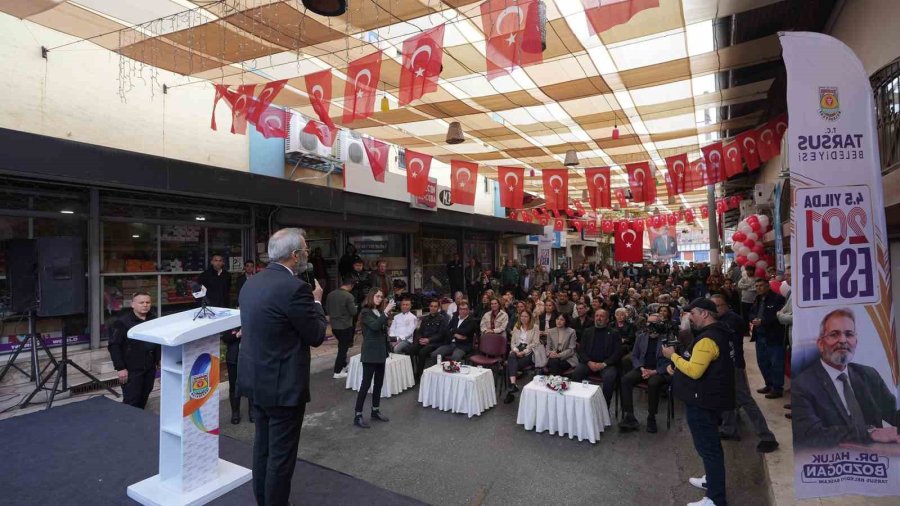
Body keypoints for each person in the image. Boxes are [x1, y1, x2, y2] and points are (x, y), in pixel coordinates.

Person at [237, 228, 326, 506]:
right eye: (306, 251)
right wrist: (317, 302)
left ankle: (263, 499)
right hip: (283, 385)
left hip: (255, 378)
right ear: (295, 255)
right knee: (281, 455)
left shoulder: (251, 282)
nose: (307, 255)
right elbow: (315, 335)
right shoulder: (296, 288)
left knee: (262, 446)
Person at [662, 298, 735, 506]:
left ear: (705, 314)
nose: (689, 317)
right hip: (711, 398)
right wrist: (677, 368)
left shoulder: (708, 339)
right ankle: (712, 481)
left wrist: (673, 357)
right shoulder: (721, 332)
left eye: (692, 313)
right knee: (710, 446)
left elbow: (695, 371)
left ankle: (715, 498)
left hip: (703, 401)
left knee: (708, 448)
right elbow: (699, 364)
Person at [792, 308, 900, 447]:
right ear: (820, 344)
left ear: (856, 340)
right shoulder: (802, 385)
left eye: (849, 334)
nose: (843, 340)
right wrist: (870, 433)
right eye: (834, 334)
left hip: (877, 461)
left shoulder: (869, 375)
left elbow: (893, 413)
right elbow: (810, 434)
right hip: (831, 462)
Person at [712, 294, 778, 453]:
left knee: (745, 400)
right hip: (725, 366)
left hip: (734, 366)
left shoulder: (732, 320)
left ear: (725, 305)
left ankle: (767, 437)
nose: (713, 311)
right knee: (727, 397)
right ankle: (729, 429)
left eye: (716, 307)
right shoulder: (723, 320)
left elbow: (727, 340)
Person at [619, 312, 673, 433]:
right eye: (648, 322)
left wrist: (654, 372)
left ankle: (651, 417)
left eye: (653, 323)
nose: (649, 325)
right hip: (643, 368)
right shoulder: (641, 336)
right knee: (625, 380)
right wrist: (642, 368)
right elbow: (634, 356)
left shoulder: (668, 338)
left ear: (659, 324)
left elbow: (670, 362)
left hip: (659, 371)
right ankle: (630, 416)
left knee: (653, 384)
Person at [108, 292, 159, 409]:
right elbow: (114, 346)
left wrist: (158, 360)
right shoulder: (122, 323)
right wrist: (120, 368)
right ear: (133, 304)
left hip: (150, 367)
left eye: (148, 302)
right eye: (141, 302)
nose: (145, 305)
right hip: (132, 369)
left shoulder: (153, 320)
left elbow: (157, 342)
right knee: (132, 399)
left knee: (145, 395)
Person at [354, 288, 396, 428]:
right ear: (371, 296)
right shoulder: (365, 312)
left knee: (378, 383)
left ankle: (375, 410)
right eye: (377, 296)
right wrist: (385, 312)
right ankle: (358, 414)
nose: (379, 299)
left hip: (380, 352)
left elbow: (382, 329)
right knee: (365, 385)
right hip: (370, 353)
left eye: (381, 296)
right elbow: (375, 326)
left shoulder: (379, 311)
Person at [572, 309, 622, 403]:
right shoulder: (588, 331)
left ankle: (604, 406)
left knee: (609, 377)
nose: (599, 318)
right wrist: (589, 362)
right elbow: (581, 350)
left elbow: (617, 353)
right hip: (589, 363)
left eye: (602, 316)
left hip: (606, 365)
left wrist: (604, 364)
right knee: (576, 373)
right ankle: (578, 402)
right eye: (597, 316)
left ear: (607, 320)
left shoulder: (614, 333)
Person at [750, 278, 787, 399]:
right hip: (759, 335)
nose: (759, 288)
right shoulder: (757, 299)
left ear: (768, 286)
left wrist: (763, 321)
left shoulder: (778, 299)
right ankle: (768, 384)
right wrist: (753, 319)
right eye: (757, 286)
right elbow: (751, 312)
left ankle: (777, 388)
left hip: (773, 336)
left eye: (761, 285)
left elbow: (778, 317)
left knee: (776, 363)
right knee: (763, 362)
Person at [504, 310, 542, 403]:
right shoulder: (516, 327)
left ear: (530, 318)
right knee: (512, 357)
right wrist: (516, 351)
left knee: (510, 365)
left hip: (529, 351)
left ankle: (511, 392)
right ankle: (513, 385)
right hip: (517, 349)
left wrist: (524, 352)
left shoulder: (535, 327)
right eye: (522, 316)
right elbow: (512, 343)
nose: (523, 318)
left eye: (526, 316)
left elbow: (535, 343)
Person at [326, 275, 358, 380]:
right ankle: (337, 371)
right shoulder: (348, 296)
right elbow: (353, 312)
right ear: (351, 285)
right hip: (345, 325)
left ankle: (344, 365)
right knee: (343, 349)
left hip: (334, 326)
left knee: (342, 346)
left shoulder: (330, 294)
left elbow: (327, 309)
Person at [410, 299, 450, 379]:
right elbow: (420, 331)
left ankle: (420, 375)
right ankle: (411, 374)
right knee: (411, 350)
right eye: (431, 306)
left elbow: (441, 334)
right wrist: (420, 339)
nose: (433, 308)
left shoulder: (442, 319)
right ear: (429, 307)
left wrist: (429, 340)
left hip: (435, 343)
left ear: (438, 308)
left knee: (422, 352)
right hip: (424, 341)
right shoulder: (425, 319)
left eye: (435, 306)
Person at [223, 328, 253, 424]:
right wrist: (238, 334)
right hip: (233, 359)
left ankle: (252, 413)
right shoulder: (230, 322)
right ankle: (235, 413)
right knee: (233, 385)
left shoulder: (251, 319)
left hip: (250, 358)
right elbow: (225, 338)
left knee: (251, 384)